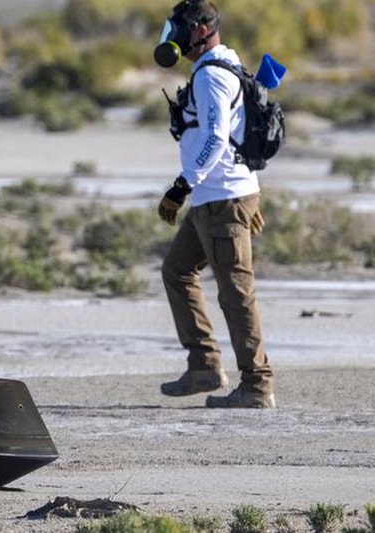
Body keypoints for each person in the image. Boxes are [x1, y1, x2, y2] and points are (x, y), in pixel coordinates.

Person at [153, 1, 275, 408]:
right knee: (177, 270)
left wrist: (180, 186)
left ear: (203, 30)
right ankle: (204, 365)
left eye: (181, 28)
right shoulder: (216, 70)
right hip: (216, 196)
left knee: (236, 292)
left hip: (221, 197)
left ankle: (257, 384)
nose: (175, 37)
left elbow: (215, 138)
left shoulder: (211, 78)